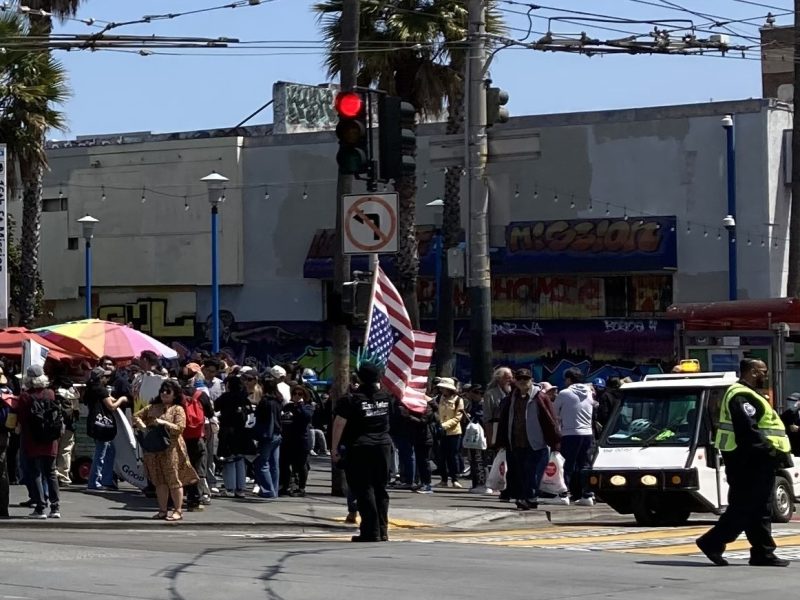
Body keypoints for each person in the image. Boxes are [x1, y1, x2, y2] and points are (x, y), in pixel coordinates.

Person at [696, 358, 792, 567]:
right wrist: (769, 450)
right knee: (746, 507)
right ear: (752, 372)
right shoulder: (741, 395)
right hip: (749, 461)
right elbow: (748, 431)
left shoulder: (748, 394)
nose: (765, 375)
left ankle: (762, 553)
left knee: (760, 508)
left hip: (753, 461)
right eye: (763, 371)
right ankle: (712, 542)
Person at [332, 360, 393, 542]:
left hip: (360, 447)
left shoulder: (351, 399)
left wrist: (334, 448)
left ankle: (370, 531)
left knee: (364, 488)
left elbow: (339, 424)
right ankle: (382, 530)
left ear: (359, 377)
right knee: (380, 489)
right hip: (383, 446)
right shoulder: (385, 397)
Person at [133, 379, 198, 522]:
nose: (164, 393)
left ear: (175, 394)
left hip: (171, 448)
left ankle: (178, 510)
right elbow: (136, 416)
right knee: (159, 480)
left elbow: (180, 428)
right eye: (162, 390)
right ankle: (162, 510)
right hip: (154, 448)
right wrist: (144, 428)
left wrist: (165, 423)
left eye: (168, 391)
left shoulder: (177, 409)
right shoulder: (152, 407)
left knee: (173, 479)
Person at [496, 368, 561, 511]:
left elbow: (551, 420)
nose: (522, 382)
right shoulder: (512, 397)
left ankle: (530, 498)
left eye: (526, 379)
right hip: (516, 442)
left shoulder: (540, 397)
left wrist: (555, 441)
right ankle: (524, 498)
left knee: (533, 473)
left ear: (531, 380)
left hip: (536, 443)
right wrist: (502, 441)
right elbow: (504, 420)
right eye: (519, 379)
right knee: (520, 473)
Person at [16, 365, 62, 519]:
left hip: (32, 439)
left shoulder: (26, 396)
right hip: (50, 440)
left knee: (34, 472)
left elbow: (21, 418)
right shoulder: (50, 393)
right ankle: (55, 508)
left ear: (28, 378)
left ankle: (40, 508)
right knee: (51, 473)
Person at [554, 368, 597, 506]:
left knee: (567, 465)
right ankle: (587, 495)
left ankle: (564, 495)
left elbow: (554, 412)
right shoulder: (590, 392)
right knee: (584, 465)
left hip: (570, 433)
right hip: (587, 433)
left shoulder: (564, 393)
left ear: (568, 379)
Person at [215, 374, 255, 498]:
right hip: (243, 432)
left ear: (228, 385)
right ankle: (241, 488)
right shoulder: (245, 398)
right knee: (240, 459)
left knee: (229, 460)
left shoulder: (225, 397)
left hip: (228, 431)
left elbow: (215, 408)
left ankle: (230, 488)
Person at [85, 366, 125, 491]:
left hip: (94, 422)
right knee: (100, 454)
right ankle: (94, 481)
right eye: (105, 377)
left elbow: (108, 398)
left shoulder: (91, 388)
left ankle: (105, 480)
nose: (107, 379)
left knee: (108, 451)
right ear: (101, 378)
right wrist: (122, 399)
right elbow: (112, 406)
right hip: (102, 424)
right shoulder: (100, 389)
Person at [279, 385, 313, 497]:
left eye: (300, 394)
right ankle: (285, 485)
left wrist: (300, 405)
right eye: (295, 394)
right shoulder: (287, 407)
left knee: (301, 465)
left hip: (301, 440)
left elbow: (307, 417)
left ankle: (301, 488)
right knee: (284, 464)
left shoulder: (308, 407)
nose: (297, 396)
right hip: (288, 439)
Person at [253, 376, 283, 498]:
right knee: (274, 464)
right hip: (277, 433)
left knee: (262, 463)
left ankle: (267, 490)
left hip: (267, 434)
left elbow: (260, 419)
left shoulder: (265, 401)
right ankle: (273, 489)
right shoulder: (278, 400)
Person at [436, 377, 465, 488]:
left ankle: (455, 478)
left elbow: (458, 417)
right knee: (441, 457)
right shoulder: (439, 399)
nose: (442, 390)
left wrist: (444, 425)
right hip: (441, 432)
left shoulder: (458, 400)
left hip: (454, 432)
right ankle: (443, 479)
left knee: (453, 456)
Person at [780, 392, 800, 456]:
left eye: (794, 401)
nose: (790, 403)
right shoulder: (786, 414)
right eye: (789, 401)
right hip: (792, 447)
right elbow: (781, 426)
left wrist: (798, 428)